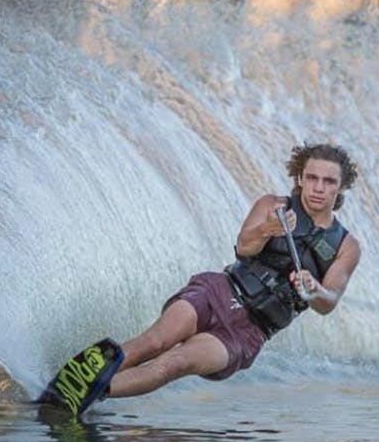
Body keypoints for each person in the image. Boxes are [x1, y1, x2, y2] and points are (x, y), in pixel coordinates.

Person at [106, 143, 361, 399]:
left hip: (249, 330)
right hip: (218, 292)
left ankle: (93, 393)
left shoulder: (346, 246)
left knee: (175, 363)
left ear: (341, 187)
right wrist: (269, 229)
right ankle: (88, 380)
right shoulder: (273, 206)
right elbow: (244, 247)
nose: (319, 187)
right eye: (312, 178)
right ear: (300, 178)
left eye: (329, 181)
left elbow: (329, 302)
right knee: (154, 342)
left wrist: (315, 289)